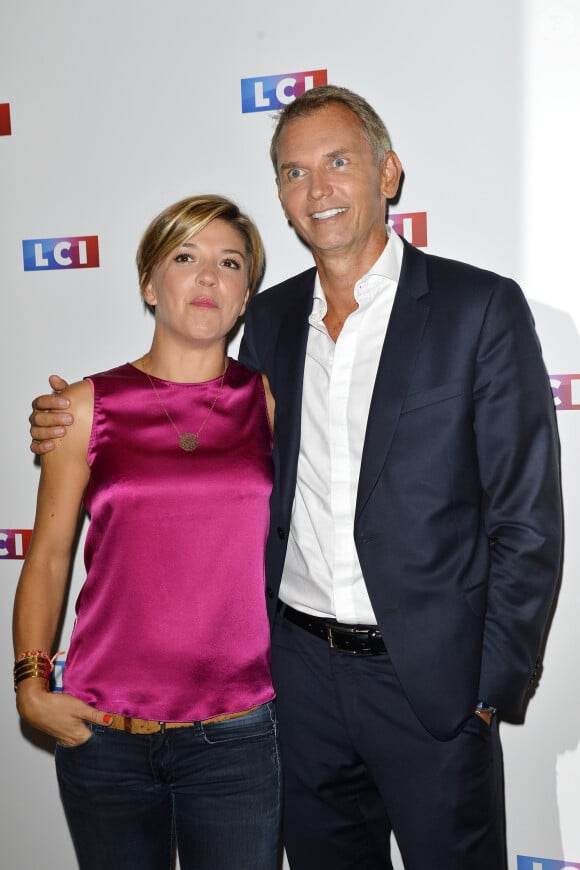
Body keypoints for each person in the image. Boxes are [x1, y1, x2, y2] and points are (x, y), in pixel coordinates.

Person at [29, 86, 563, 870]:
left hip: (433, 688)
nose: (317, 189)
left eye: (338, 162)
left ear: (389, 173)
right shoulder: (270, 320)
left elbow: (526, 517)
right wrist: (75, 415)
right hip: (296, 685)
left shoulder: (476, 308)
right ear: (280, 196)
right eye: (292, 171)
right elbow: (195, 423)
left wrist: (489, 687)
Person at [15, 194, 281, 870]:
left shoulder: (271, 403)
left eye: (229, 262)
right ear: (147, 282)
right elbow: (47, 558)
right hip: (103, 735)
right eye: (185, 257)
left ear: (245, 295)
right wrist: (30, 686)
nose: (207, 277)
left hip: (239, 736)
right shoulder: (82, 407)